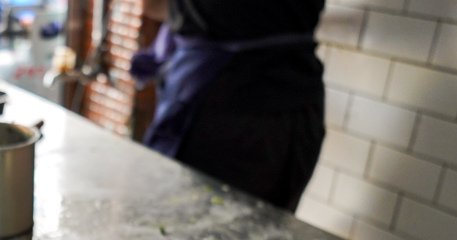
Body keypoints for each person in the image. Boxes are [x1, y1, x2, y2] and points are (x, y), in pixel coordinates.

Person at [136, 0, 326, 211]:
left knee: (176, 223)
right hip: (300, 103)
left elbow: (153, 5)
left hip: (219, 103)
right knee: (263, 231)